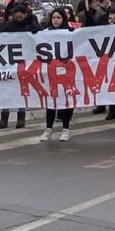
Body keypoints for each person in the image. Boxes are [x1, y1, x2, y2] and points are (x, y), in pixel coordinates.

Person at [0, 3, 40, 129]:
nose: (19, 15)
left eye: (22, 12)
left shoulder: (30, 24)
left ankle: (21, 116)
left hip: (25, 62)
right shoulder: (10, 25)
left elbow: (40, 34)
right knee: (8, 90)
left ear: (26, 14)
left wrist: (32, 22)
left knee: (22, 89)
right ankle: (4, 117)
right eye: (17, 12)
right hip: (10, 62)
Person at [38, 8, 75, 142]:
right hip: (51, 73)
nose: (56, 20)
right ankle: (48, 129)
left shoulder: (70, 33)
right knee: (50, 102)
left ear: (63, 19)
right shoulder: (45, 33)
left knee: (66, 101)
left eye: (59, 18)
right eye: (54, 18)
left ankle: (66, 129)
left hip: (66, 73)